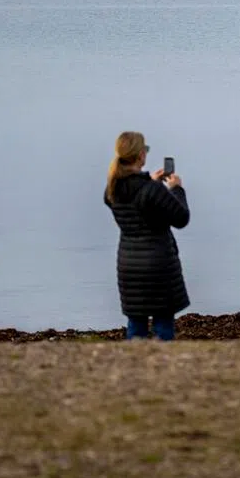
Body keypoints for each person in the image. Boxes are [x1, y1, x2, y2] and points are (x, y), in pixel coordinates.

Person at [103, 131, 190, 340]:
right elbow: (181, 218)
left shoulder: (113, 189)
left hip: (129, 266)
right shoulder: (151, 190)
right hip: (158, 267)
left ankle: (134, 367)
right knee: (162, 323)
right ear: (141, 155)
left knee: (135, 322)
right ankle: (161, 369)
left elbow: (135, 201)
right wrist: (176, 189)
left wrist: (149, 180)